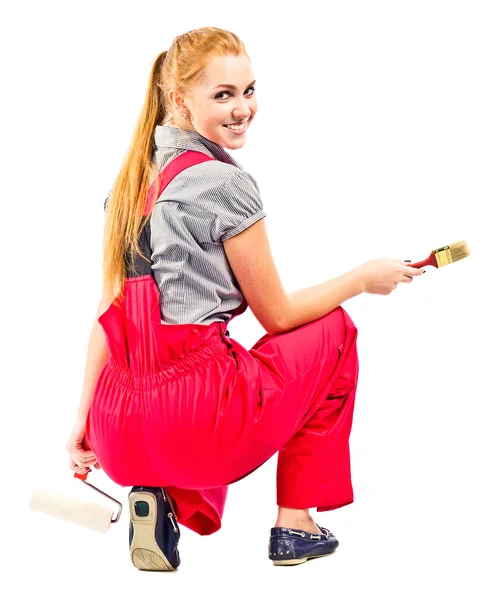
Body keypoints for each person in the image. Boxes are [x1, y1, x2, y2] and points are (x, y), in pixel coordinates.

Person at [65, 26, 425, 570]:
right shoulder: (224, 183)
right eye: (223, 95)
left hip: (117, 430)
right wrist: (361, 277)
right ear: (179, 99)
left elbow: (105, 314)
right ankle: (295, 523)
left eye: (249, 91)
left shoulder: (131, 185)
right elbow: (277, 316)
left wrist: (83, 418)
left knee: (214, 378)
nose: (242, 108)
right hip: (192, 425)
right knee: (333, 333)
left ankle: (159, 499)